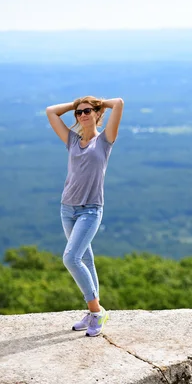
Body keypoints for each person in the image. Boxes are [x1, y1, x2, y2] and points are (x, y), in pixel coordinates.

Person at [46, 95, 124, 336]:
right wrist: (75, 103)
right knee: (86, 260)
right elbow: (50, 111)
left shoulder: (104, 141)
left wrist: (98, 102)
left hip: (90, 209)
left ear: (97, 113)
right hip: (67, 209)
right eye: (79, 113)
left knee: (71, 258)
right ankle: (93, 313)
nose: (83, 115)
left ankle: (97, 311)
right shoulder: (72, 140)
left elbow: (119, 103)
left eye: (87, 111)